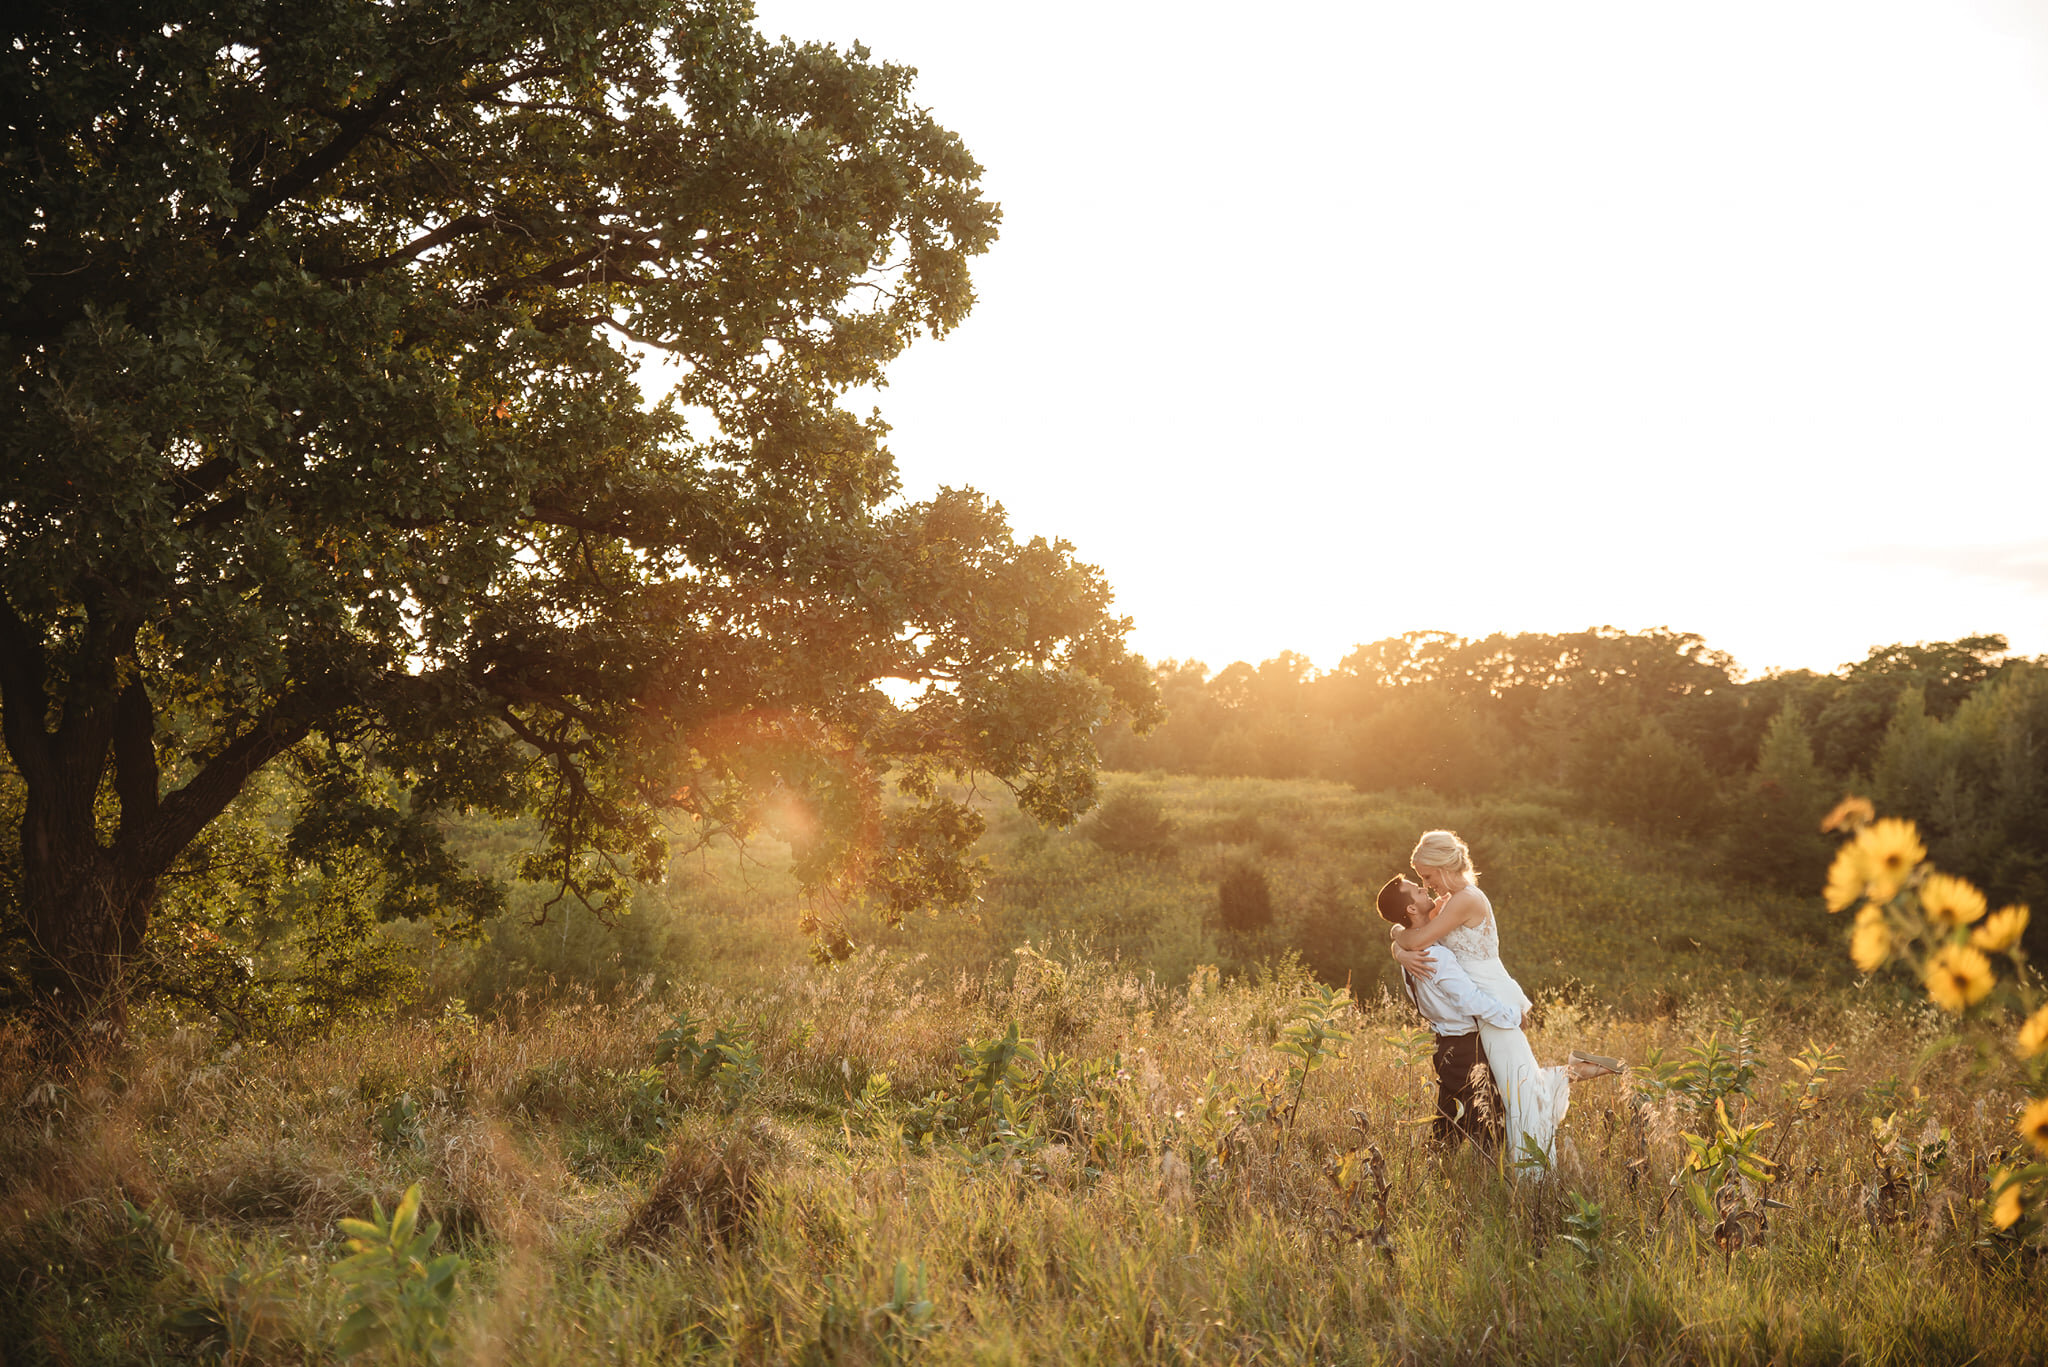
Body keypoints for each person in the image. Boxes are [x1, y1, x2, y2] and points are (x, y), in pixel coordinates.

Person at [1388, 830, 1621, 1172]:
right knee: (1518, 1083)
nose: (1427, 884)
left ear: (1443, 866)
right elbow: (1409, 927)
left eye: (1427, 876)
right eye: (1421, 879)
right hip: (1485, 1002)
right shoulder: (1448, 901)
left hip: (1490, 1001)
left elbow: (1416, 936)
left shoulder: (1465, 899)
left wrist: (1399, 947)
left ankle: (1529, 1175)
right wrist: (1398, 946)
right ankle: (1576, 1069)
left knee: (1519, 1091)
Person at [1373, 874, 1517, 1155]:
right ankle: (1489, 1179)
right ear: (1412, 909)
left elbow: (1400, 932)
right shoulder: (1434, 955)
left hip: (1445, 1046)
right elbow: (1469, 1001)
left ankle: (1435, 1168)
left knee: (1449, 1123)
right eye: (1416, 890)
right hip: (1466, 1047)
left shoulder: (1414, 948)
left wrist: (1397, 945)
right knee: (1488, 1124)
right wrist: (1512, 1016)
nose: (1424, 888)